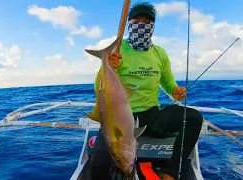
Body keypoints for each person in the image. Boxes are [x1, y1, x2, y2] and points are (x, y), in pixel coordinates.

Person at [84, 1, 204, 180]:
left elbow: (167, 81)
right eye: (137, 19)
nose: (142, 24)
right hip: (119, 119)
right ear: (129, 22)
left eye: (147, 21)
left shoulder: (160, 54)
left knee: (193, 118)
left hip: (151, 115)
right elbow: (99, 88)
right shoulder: (118, 50)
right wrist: (107, 66)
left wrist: (175, 90)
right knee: (99, 163)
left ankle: (171, 174)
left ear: (153, 26)